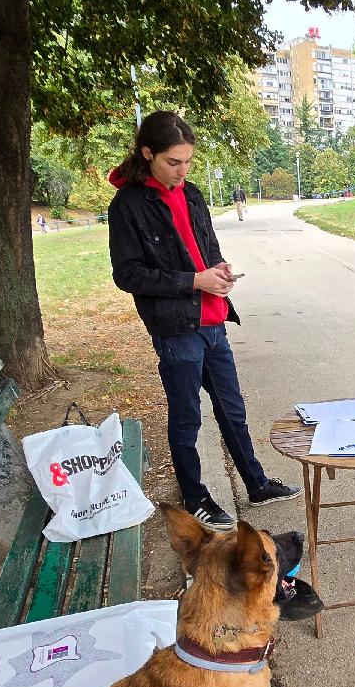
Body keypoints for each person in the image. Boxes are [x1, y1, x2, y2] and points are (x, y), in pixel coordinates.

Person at [107, 111, 300, 532]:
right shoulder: (128, 205)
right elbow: (128, 275)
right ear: (147, 153)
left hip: (214, 321)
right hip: (176, 329)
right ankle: (195, 496)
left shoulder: (192, 193)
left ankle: (256, 482)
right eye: (173, 162)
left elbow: (208, 246)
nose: (182, 171)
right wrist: (194, 280)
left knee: (233, 410)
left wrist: (220, 270)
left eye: (188, 161)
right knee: (187, 417)